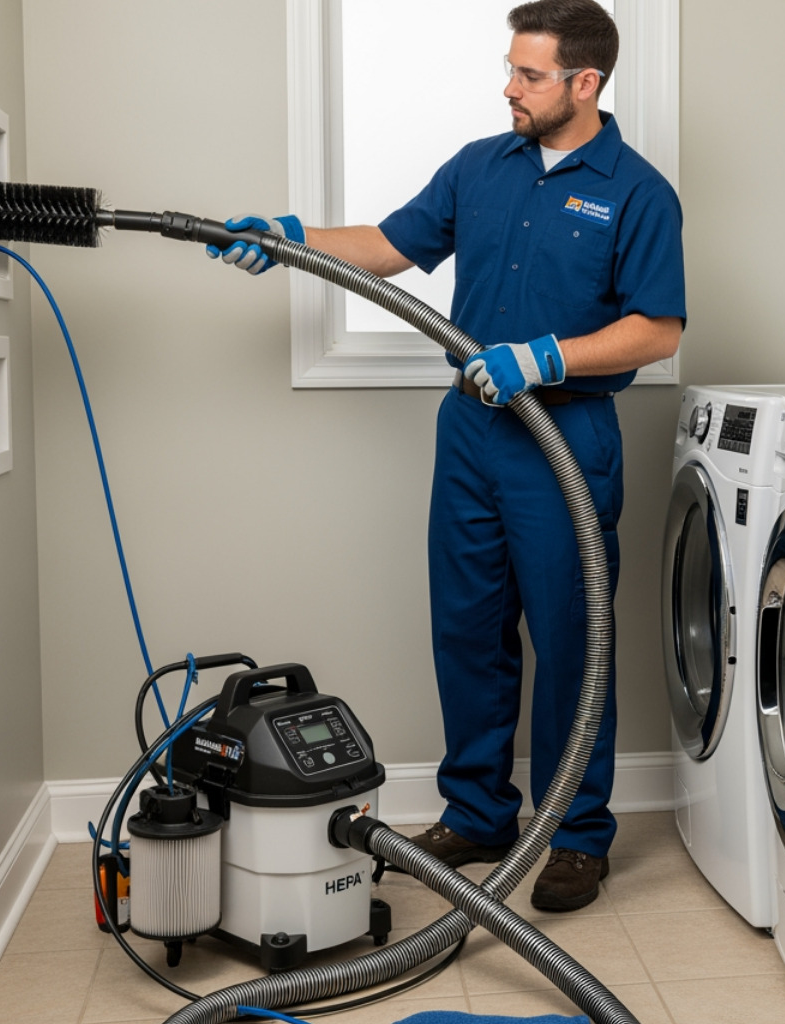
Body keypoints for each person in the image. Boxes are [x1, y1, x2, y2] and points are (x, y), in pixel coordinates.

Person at [211, 0, 684, 911]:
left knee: (572, 642)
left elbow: (656, 330)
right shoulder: (481, 167)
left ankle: (576, 835)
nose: (509, 87)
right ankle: (477, 814)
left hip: (566, 436)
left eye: (530, 74)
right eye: (510, 68)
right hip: (471, 431)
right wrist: (291, 237)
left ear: (585, 84)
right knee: (467, 628)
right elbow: (389, 247)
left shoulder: (636, 192)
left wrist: (547, 358)